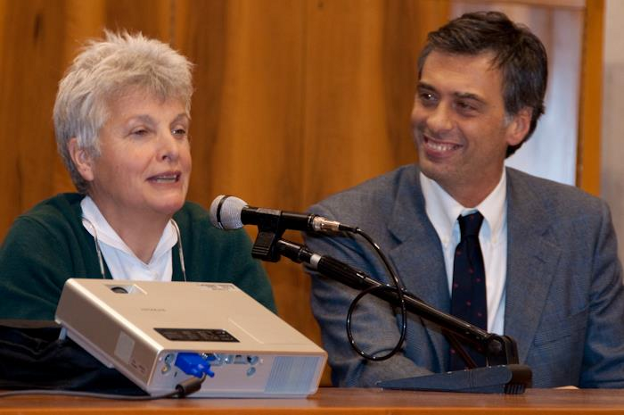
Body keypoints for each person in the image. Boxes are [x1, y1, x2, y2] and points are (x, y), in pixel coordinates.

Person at [304, 11, 624, 388]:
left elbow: (611, 384)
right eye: (428, 96)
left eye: (465, 105)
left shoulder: (581, 225)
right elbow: (373, 375)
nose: (436, 121)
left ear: (518, 124)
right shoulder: (347, 227)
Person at [0, 31, 275, 320]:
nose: (171, 149)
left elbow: (275, 361)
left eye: (178, 130)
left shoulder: (219, 244)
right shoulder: (43, 247)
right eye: (141, 132)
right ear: (84, 157)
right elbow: (31, 365)